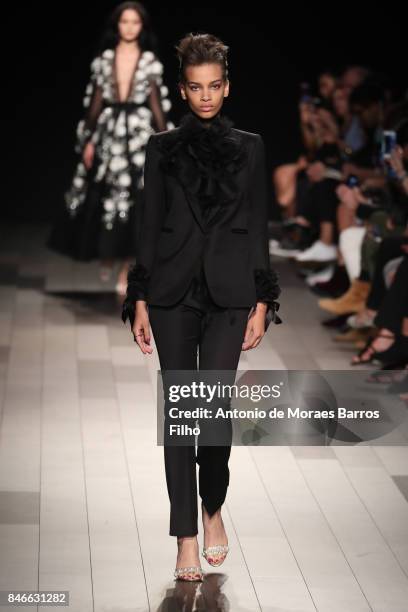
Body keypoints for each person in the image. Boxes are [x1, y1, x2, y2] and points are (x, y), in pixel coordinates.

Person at [121, 33, 282, 581]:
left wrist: (264, 299)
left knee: (212, 418)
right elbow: (148, 227)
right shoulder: (161, 148)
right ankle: (185, 536)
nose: (206, 96)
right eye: (196, 87)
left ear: (227, 86)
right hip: (171, 293)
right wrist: (138, 297)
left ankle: (213, 507)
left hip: (231, 292)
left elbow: (259, 225)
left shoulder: (251, 146)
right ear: (183, 90)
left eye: (215, 86)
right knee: (181, 415)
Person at [47, 1, 173, 293]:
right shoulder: (105, 59)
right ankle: (108, 255)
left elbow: (156, 106)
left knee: (138, 204)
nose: (129, 27)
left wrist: (168, 141)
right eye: (124, 21)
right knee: (106, 198)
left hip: (140, 134)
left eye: (135, 22)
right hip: (110, 131)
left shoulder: (149, 61)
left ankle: (126, 270)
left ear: (142, 27)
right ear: (116, 25)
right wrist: (89, 140)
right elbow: (95, 103)